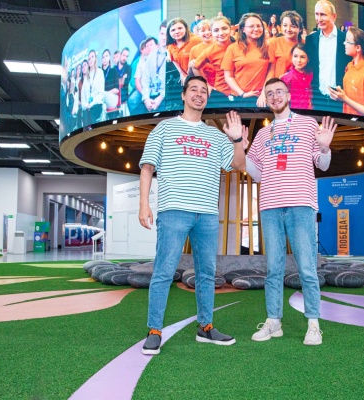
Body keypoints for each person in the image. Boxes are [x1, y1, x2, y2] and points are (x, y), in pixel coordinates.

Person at [138, 76, 248, 355]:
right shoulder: (165, 128)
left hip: (207, 214)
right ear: (184, 95)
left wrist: (237, 140)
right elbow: (147, 167)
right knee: (163, 271)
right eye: (194, 90)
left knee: (207, 273)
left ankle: (205, 327)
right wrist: (144, 204)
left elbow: (237, 164)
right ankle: (154, 330)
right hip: (173, 210)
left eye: (204, 91)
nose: (199, 94)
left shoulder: (215, 135)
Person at [245, 78, 336, 346]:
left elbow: (323, 165)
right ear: (266, 100)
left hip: (301, 205)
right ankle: (274, 322)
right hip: (270, 207)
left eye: (279, 92)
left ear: (289, 95)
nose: (275, 97)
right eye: (269, 94)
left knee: (307, 267)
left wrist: (324, 147)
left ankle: (314, 324)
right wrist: (240, 147)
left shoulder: (308, 125)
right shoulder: (263, 134)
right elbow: (256, 173)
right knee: (273, 269)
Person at [303, 0, 350, 112]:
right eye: (317, 14)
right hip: (318, 99)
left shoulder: (345, 39)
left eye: (323, 14)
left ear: (334, 16)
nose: (319, 19)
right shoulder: (310, 40)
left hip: (340, 98)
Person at [328, 26, 364, 118]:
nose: (344, 43)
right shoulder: (349, 65)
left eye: (347, 41)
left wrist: (344, 98)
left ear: (358, 48)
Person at [222, 13, 269, 104]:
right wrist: (242, 94)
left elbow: (271, 73)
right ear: (243, 29)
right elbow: (228, 76)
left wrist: (264, 93)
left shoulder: (268, 47)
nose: (256, 29)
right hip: (239, 97)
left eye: (259, 26)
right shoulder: (233, 48)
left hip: (261, 97)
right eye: (251, 26)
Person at [189, 16, 235, 100]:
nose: (221, 33)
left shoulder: (239, 43)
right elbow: (194, 66)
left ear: (230, 29)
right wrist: (206, 84)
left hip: (241, 89)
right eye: (216, 30)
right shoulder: (209, 50)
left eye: (224, 28)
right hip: (221, 91)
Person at [267, 11, 304, 80]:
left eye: (293, 26)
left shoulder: (305, 44)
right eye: (285, 25)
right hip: (280, 83)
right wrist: (268, 85)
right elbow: (271, 69)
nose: (288, 29)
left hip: (301, 83)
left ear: (300, 29)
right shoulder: (274, 43)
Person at [140, 21, 168, 112]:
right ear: (158, 34)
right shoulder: (151, 56)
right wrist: (146, 99)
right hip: (150, 97)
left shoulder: (173, 56)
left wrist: (160, 98)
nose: (164, 37)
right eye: (162, 34)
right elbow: (145, 80)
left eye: (166, 34)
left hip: (165, 98)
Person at [167, 18, 202, 85]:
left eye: (180, 28)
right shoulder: (170, 46)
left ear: (185, 28)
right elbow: (174, 60)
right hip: (188, 80)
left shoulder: (196, 40)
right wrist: (182, 73)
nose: (177, 32)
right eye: (173, 30)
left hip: (202, 78)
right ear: (169, 33)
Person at [280, 43, 313, 109]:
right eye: (295, 56)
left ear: (308, 59)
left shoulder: (311, 74)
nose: (298, 60)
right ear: (291, 57)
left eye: (302, 57)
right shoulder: (287, 78)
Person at [189, 20, 216, 88]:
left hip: (222, 83)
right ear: (198, 34)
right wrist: (191, 65)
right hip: (205, 84)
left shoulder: (222, 45)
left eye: (210, 29)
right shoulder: (194, 50)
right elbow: (190, 73)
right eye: (203, 30)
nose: (207, 32)